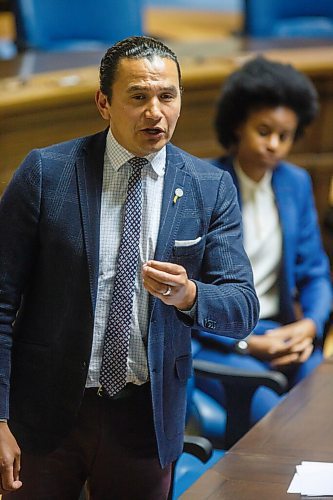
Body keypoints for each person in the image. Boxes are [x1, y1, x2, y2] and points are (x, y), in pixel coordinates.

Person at [0, 36, 259, 499]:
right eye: (138, 97)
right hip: (44, 414)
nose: (155, 112)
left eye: (167, 96)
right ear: (104, 102)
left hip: (147, 417)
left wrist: (190, 296)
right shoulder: (45, 173)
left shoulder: (210, 186)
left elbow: (242, 305)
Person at [194, 56, 332, 425]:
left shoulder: (295, 183)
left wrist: (310, 326)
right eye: (264, 130)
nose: (274, 144)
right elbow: (184, 296)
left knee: (322, 402)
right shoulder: (202, 182)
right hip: (216, 341)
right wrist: (246, 343)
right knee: (274, 417)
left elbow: (315, 271)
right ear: (238, 124)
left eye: (284, 136)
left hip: (280, 333)